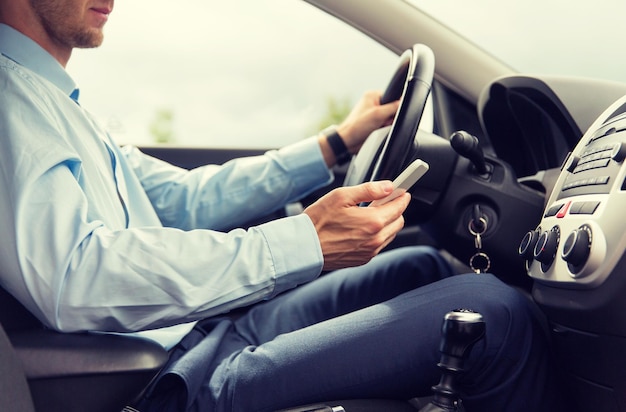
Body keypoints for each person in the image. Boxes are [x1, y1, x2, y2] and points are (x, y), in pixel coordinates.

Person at [0, 1, 562, 411]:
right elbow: (74, 277)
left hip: (203, 334)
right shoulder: (9, 102)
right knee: (492, 313)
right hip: (166, 383)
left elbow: (183, 199)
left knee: (422, 268)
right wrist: (307, 241)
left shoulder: (58, 105)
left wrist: (336, 143)